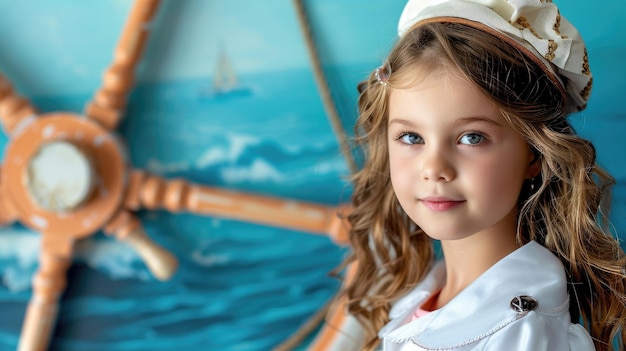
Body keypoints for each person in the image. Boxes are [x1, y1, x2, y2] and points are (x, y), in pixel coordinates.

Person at [341, 0, 626, 350]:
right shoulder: (422, 295)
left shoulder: (522, 335)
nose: (434, 169)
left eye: (471, 138)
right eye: (411, 137)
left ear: (534, 153)